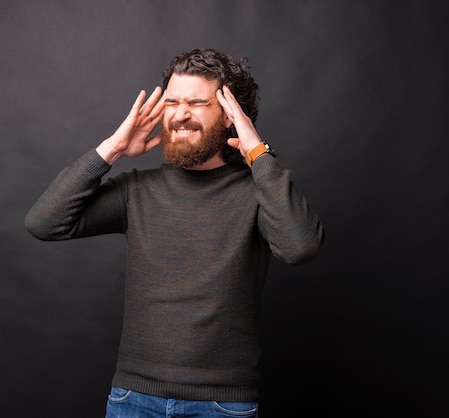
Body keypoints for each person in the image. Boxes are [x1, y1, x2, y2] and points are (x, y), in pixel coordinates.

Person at [25, 48, 324, 418]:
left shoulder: (258, 192)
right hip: (133, 399)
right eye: (172, 102)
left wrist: (258, 153)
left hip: (222, 404)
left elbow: (300, 247)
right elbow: (44, 222)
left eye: (197, 103)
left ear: (230, 116)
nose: (180, 115)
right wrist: (114, 149)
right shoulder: (137, 190)